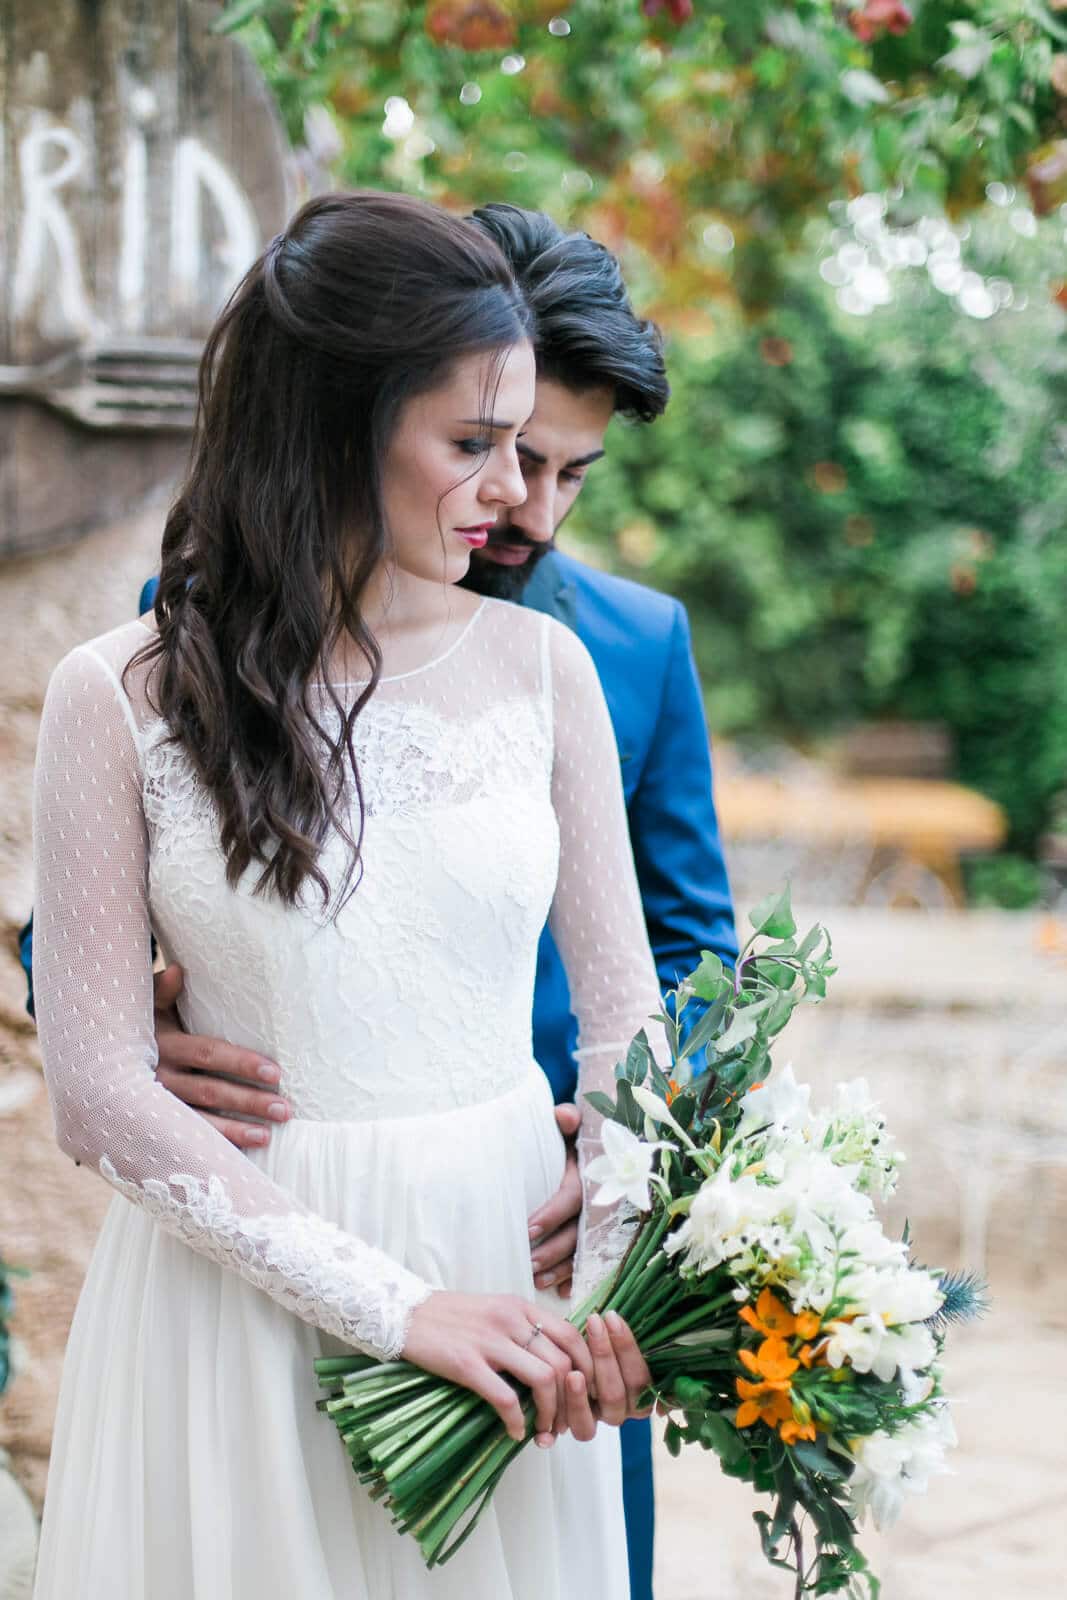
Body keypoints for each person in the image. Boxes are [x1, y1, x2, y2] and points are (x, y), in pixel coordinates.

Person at [19, 204, 737, 1599]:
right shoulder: (134, 683)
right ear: (340, 427)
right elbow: (98, 1065)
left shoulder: (561, 668)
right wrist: (146, 1033)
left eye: (549, 462)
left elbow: (641, 1006)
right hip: (243, 1275)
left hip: (513, 1240)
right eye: (483, 448)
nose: (520, 500)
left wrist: (610, 1273)